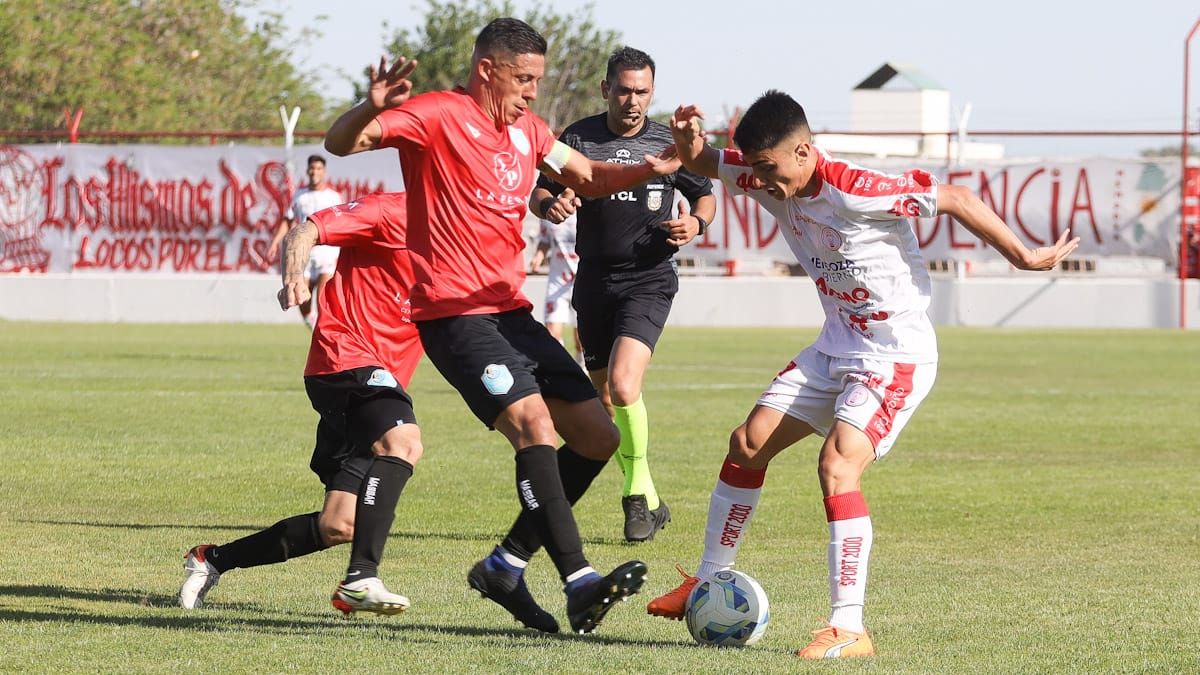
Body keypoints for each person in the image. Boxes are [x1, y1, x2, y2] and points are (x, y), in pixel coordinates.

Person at [644, 92, 1080, 659]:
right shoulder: (764, 176)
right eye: (754, 169)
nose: (760, 182)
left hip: (894, 355)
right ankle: (707, 581)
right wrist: (687, 139)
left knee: (838, 463)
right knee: (747, 444)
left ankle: (849, 628)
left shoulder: (854, 187)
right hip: (835, 348)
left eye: (770, 169)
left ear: (804, 151)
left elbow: (955, 197)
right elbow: (703, 163)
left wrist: (1023, 256)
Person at [323, 18, 683, 635]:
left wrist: (659, 165)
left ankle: (505, 565)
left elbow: (591, 177)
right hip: (454, 314)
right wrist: (368, 108)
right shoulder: (437, 114)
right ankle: (578, 579)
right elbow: (341, 144)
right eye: (524, 79)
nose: (533, 92)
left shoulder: (529, 130)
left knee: (597, 436)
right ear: (487, 69)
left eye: (538, 80)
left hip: (510, 313)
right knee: (533, 426)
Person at [180, 192, 425, 617]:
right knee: (403, 442)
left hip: (377, 388)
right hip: (345, 356)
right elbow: (305, 230)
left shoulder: (464, 238)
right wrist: (294, 273)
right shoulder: (392, 210)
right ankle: (360, 577)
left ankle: (210, 560)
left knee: (338, 525)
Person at [530, 47, 716, 542]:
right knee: (605, 403)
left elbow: (704, 193)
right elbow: (539, 191)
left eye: (643, 92)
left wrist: (696, 222)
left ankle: (635, 497)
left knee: (624, 384)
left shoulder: (667, 141)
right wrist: (552, 204)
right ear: (606, 89)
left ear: (652, 93)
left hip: (650, 277)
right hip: (594, 281)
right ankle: (652, 499)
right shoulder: (578, 137)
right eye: (625, 90)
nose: (633, 101)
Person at [268, 155, 344, 328]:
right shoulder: (300, 196)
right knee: (301, 298)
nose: (314, 172)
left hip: (327, 252)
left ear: (324, 171)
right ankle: (312, 323)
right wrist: (275, 242)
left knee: (323, 299)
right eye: (312, 168)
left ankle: (323, 331)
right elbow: (288, 220)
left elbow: (342, 224)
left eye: (318, 169)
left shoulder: (334, 197)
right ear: (307, 170)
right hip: (305, 255)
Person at [528, 212, 583, 365]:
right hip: (557, 281)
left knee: (582, 339)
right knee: (552, 334)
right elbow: (545, 240)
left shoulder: (584, 206)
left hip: (582, 280)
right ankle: (565, 372)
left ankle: (582, 369)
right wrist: (538, 256)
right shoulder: (548, 209)